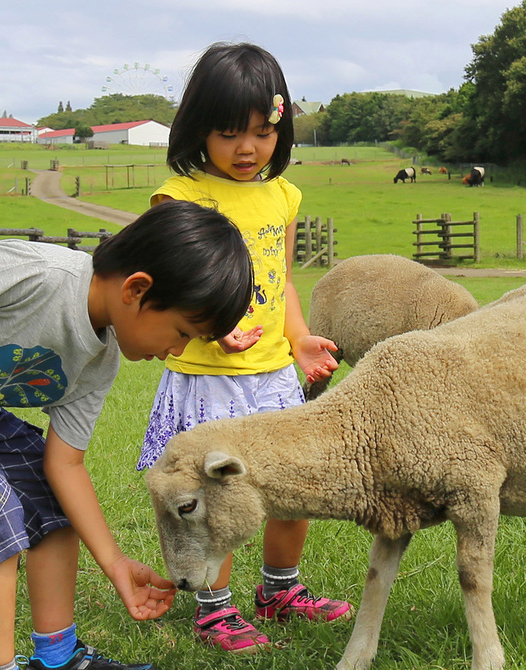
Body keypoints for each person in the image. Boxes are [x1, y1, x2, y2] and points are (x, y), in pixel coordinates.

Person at [0, 199, 254, 670]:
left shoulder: (100, 359)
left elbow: (64, 464)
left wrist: (116, 564)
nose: (177, 349)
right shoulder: (37, 271)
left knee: (49, 494)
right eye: (181, 332)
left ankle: (58, 658)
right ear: (137, 289)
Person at [136, 41, 352, 655]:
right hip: (210, 376)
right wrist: (210, 324)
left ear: (279, 128)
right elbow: (167, 289)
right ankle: (214, 606)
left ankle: (280, 589)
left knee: (295, 483)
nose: (247, 148)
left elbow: (280, 281)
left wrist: (302, 337)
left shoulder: (282, 197)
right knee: (214, 496)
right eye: (230, 133)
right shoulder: (179, 198)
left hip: (273, 373)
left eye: (260, 132)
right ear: (199, 127)